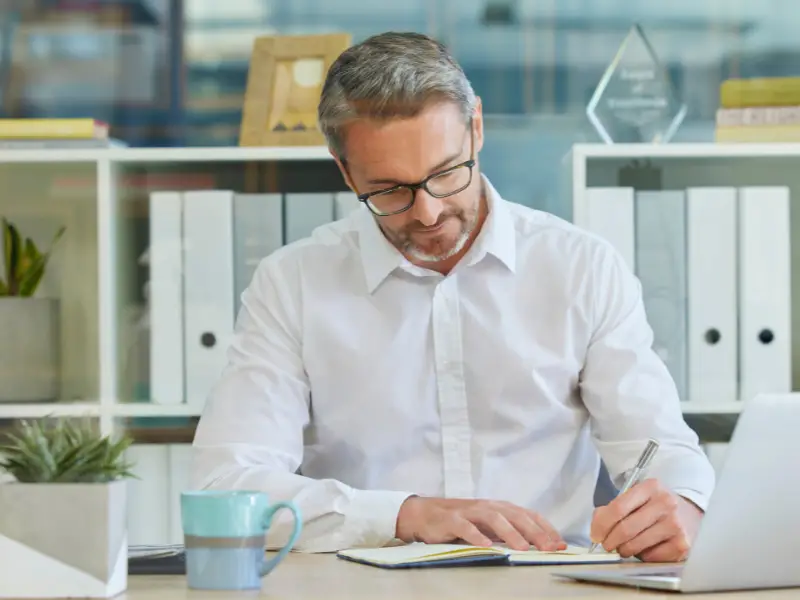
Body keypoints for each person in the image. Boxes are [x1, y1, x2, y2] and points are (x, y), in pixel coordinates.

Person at [191, 31, 715, 562]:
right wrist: (406, 515)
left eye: (445, 174)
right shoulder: (293, 284)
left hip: (547, 583)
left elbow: (660, 449)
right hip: (363, 589)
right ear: (345, 171)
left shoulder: (581, 268)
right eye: (390, 190)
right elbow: (225, 486)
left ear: (477, 129)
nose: (427, 213)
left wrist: (685, 505)